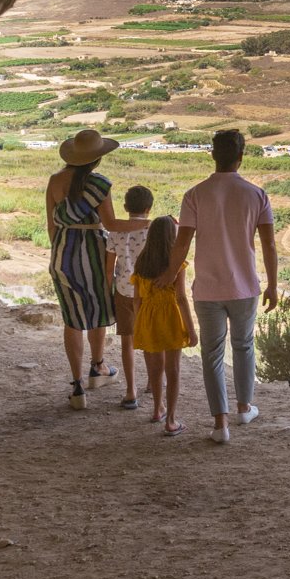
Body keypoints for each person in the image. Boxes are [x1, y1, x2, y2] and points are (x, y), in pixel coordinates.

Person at [167, 129, 277, 444]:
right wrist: (272, 285)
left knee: (212, 355)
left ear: (213, 155)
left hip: (207, 290)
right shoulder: (257, 195)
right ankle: (244, 407)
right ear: (240, 158)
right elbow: (268, 245)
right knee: (244, 346)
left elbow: (182, 244)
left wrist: (168, 276)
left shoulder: (194, 195)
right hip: (245, 287)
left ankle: (220, 426)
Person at [46, 129, 149, 411]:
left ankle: (78, 387)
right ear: (96, 160)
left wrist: (63, 253)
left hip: (62, 254)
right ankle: (98, 368)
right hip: (92, 252)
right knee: (97, 311)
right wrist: (148, 224)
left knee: (72, 318)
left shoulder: (54, 181)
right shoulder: (100, 184)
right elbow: (113, 225)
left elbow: (51, 226)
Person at [130, 216, 197, 436]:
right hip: (169, 318)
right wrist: (192, 330)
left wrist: (139, 324)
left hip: (147, 319)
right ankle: (171, 420)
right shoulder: (175, 264)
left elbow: (136, 299)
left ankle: (157, 409)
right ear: (172, 236)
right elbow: (181, 298)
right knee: (173, 370)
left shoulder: (141, 261)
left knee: (154, 369)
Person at [108, 185, 155, 410]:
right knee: (150, 340)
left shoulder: (115, 231)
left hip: (124, 291)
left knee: (127, 341)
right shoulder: (153, 230)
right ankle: (153, 383)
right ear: (149, 208)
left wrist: (109, 291)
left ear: (125, 207)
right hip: (148, 292)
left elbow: (110, 268)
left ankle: (130, 391)